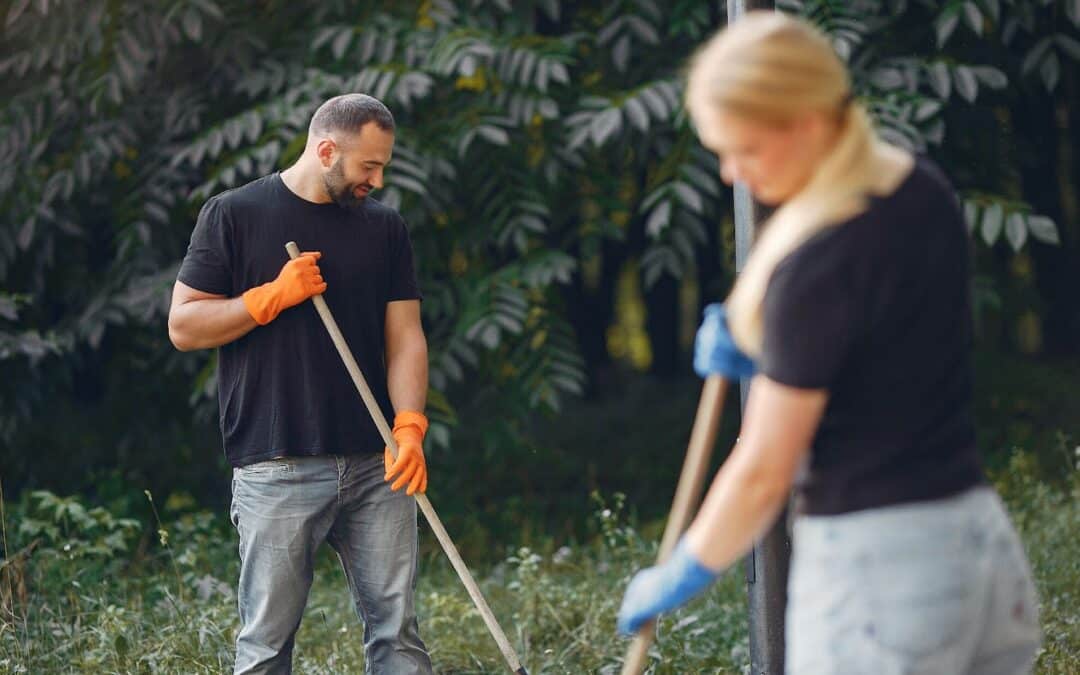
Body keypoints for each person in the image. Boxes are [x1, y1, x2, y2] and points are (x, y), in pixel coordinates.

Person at [617, 12, 1041, 674]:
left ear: (807, 123)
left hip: (881, 582)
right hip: (978, 552)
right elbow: (873, 347)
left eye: (745, 148)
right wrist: (771, 338)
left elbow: (763, 471)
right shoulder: (919, 185)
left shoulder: (818, 265)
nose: (731, 171)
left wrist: (683, 569)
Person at [168, 93, 433, 675]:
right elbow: (184, 326)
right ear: (327, 149)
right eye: (369, 166)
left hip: (377, 463)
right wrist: (269, 298)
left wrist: (409, 424)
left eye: (384, 165)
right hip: (277, 463)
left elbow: (406, 336)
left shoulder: (385, 228)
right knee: (266, 646)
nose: (378, 179)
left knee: (400, 636)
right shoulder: (235, 214)